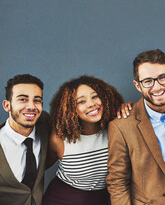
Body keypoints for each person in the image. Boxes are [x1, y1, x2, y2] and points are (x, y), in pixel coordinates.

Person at [106, 49, 165, 205]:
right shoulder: (121, 126)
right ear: (137, 85)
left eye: (162, 77)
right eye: (148, 81)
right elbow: (117, 182)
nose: (157, 87)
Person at [42, 75, 123, 205]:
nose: (91, 104)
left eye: (95, 96)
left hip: (99, 200)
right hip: (60, 199)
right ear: (69, 108)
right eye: (81, 101)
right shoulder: (59, 139)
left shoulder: (116, 128)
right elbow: (36, 169)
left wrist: (129, 107)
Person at [0, 74, 50, 205]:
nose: (31, 106)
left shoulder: (45, 127)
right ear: (7, 105)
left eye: (37, 100)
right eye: (23, 99)